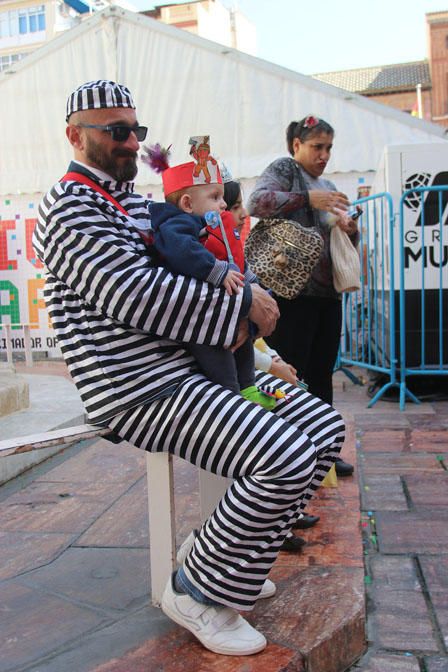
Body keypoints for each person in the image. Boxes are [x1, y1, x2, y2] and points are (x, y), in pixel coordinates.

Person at [33, 82, 345, 657]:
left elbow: (186, 275)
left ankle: (223, 562)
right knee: (284, 455)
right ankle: (196, 589)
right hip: (135, 387)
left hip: (189, 370)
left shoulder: (127, 201)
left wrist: (246, 317)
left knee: (322, 430)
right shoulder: (70, 206)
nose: (131, 141)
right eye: (116, 130)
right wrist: (246, 308)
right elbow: (138, 297)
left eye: (137, 131)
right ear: (76, 134)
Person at [247, 115, 358, 477]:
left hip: (326, 294)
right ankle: (289, 454)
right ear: (296, 146)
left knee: (323, 372)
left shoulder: (326, 185)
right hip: (290, 293)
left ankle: (323, 452)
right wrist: (309, 197)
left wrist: (348, 230)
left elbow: (338, 242)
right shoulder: (286, 170)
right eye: (317, 147)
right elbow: (257, 202)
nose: (324, 155)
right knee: (291, 370)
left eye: (328, 147)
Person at [148, 144, 278, 410]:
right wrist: (218, 272)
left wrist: (253, 284)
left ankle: (248, 390)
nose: (223, 205)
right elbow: (185, 253)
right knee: (220, 358)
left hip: (226, 311)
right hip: (201, 320)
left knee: (242, 347)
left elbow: (235, 261)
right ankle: (231, 401)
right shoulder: (177, 226)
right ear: (187, 203)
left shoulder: (215, 226)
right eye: (216, 197)